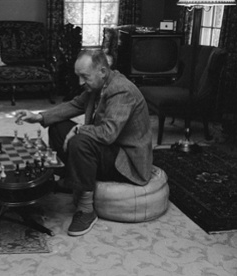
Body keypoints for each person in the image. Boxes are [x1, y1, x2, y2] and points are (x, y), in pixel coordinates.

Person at [14, 49, 152, 236]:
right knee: (57, 126)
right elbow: (75, 105)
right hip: (110, 149)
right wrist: (38, 117)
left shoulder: (121, 90)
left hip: (126, 159)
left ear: (102, 71)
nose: (80, 82)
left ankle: (86, 210)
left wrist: (79, 129)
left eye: (84, 76)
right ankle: (68, 180)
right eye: (78, 76)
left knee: (81, 142)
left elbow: (108, 134)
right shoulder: (98, 85)